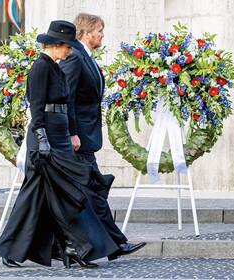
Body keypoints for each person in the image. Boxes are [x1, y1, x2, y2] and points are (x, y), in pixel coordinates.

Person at [0, 20, 120, 268]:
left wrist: (70, 133)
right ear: (56, 45)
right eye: (67, 47)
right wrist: (42, 140)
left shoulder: (56, 67)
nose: (70, 51)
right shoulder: (41, 67)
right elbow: (37, 107)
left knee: (65, 193)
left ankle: (74, 247)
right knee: (37, 194)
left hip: (59, 136)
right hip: (46, 137)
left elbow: (66, 103)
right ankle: (12, 247)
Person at [59, 13, 145, 260]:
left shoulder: (85, 56)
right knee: (93, 190)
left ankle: (102, 245)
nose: (102, 35)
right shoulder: (74, 57)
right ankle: (115, 244)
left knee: (91, 190)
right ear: (86, 33)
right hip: (80, 138)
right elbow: (68, 98)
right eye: (99, 30)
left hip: (86, 134)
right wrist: (73, 133)